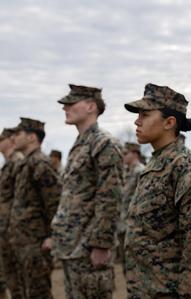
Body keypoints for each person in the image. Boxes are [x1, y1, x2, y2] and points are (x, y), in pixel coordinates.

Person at [124, 83, 191, 298]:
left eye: (145, 115)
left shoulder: (185, 165)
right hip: (146, 287)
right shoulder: (157, 162)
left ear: (169, 122)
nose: (136, 121)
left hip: (170, 290)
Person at [47, 84, 124, 299]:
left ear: (91, 106)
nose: (66, 108)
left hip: (89, 247)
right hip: (72, 244)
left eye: (71, 104)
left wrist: (101, 243)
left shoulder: (104, 143)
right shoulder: (81, 145)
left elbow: (111, 197)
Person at [9, 117, 62, 298]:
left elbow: (55, 202)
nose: (13, 138)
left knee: (38, 293)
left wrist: (52, 236)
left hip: (37, 244)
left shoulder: (40, 163)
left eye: (18, 134)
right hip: (23, 242)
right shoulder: (26, 164)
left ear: (32, 137)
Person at [0, 128, 24, 299]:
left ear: (10, 140)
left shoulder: (18, 162)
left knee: (21, 281)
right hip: (6, 229)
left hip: (16, 230)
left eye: (2, 139)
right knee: (11, 280)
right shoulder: (8, 164)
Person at [118, 142, 145, 272]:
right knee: (125, 262)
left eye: (125, 153)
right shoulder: (126, 171)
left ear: (134, 153)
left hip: (135, 225)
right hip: (123, 223)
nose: (123, 156)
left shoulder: (140, 171)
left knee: (135, 264)